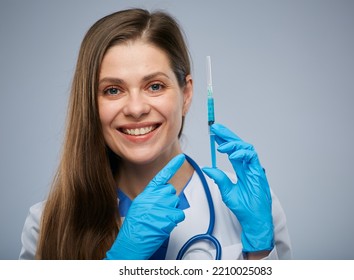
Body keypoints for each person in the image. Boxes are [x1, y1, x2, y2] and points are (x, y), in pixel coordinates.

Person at [19, 8, 292, 260]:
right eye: (113, 90)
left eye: (155, 86)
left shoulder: (253, 207)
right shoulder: (46, 224)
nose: (136, 109)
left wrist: (259, 250)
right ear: (90, 102)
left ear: (186, 94)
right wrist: (117, 265)